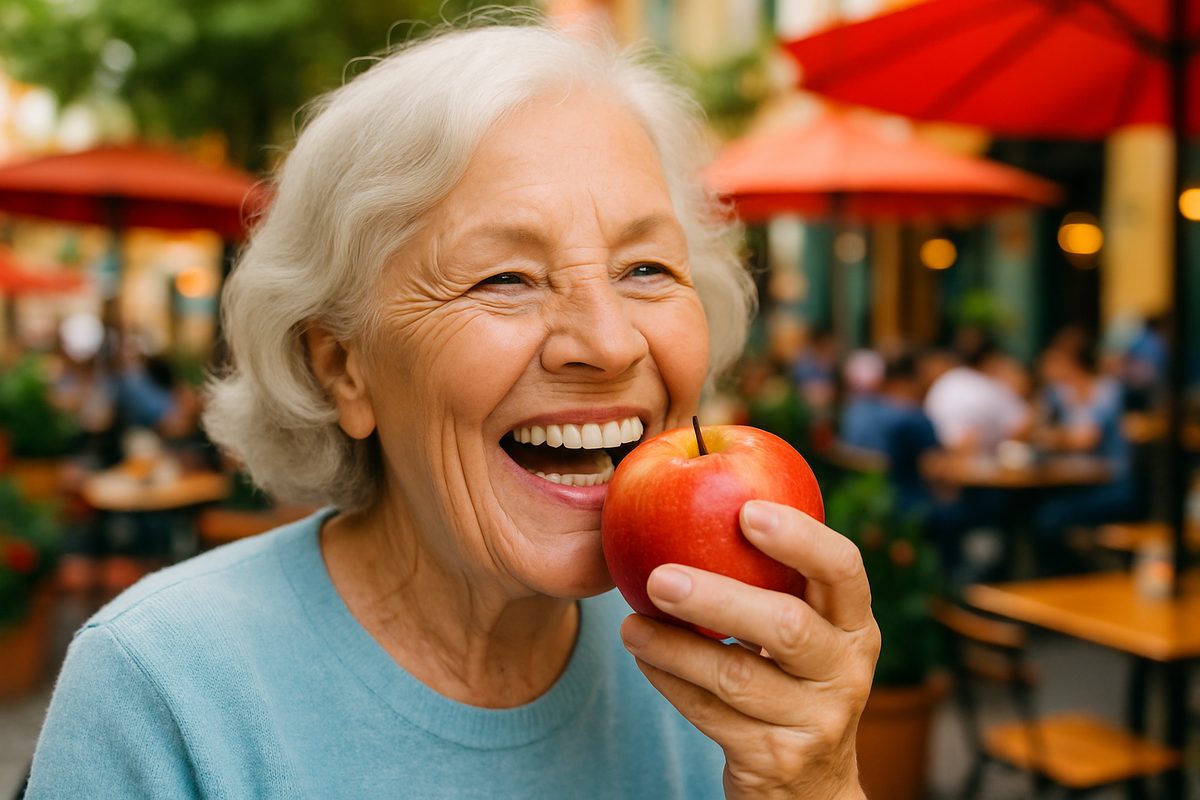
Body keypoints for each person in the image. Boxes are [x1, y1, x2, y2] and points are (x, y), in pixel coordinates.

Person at [26, 21, 879, 799]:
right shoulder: (163, 687)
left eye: (646, 268)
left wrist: (821, 785)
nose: (611, 343)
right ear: (343, 368)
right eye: (504, 277)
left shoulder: (732, 661)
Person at [1032, 338, 1138, 573]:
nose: (1048, 367)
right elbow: (1036, 426)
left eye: (1056, 361)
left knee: (1049, 519)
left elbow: (1085, 440)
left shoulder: (1107, 390)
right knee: (1035, 510)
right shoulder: (1059, 393)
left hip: (1112, 485)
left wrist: (1053, 437)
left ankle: (1071, 578)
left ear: (1073, 363)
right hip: (1077, 484)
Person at [924, 333, 1032, 452]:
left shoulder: (942, 383)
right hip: (980, 463)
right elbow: (1023, 426)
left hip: (942, 458)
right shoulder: (990, 387)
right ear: (991, 358)